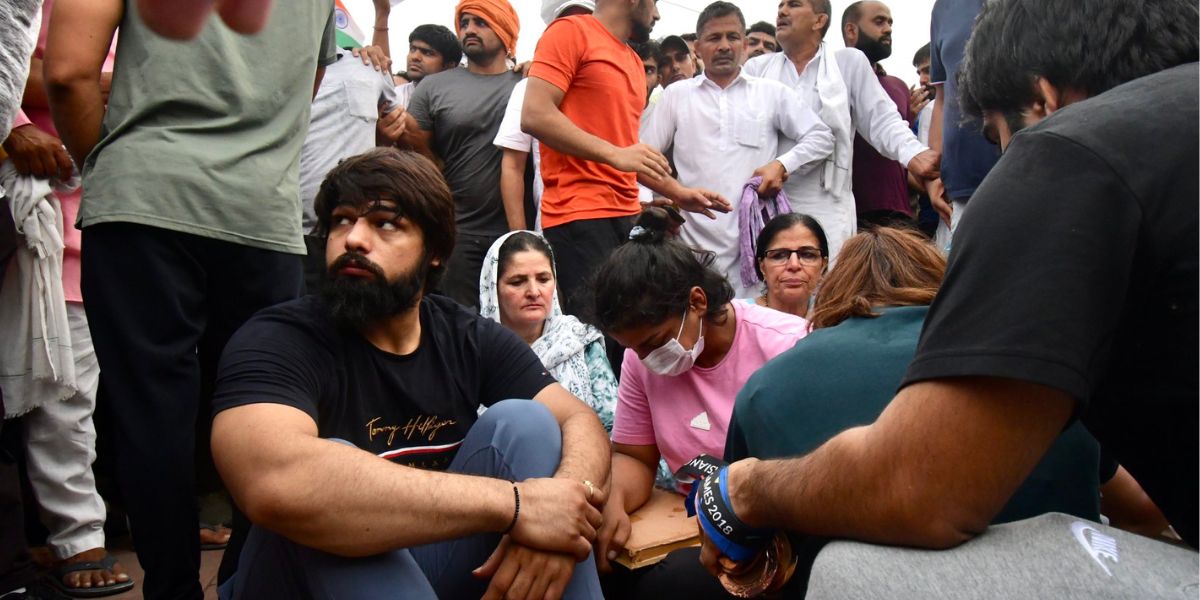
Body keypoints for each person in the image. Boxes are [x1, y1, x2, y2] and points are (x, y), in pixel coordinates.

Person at [694, 0, 1199, 595]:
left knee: (845, 571)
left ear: (1043, 105)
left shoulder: (1070, 151)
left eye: (993, 138)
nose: (1004, 164)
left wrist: (746, 487)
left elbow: (923, 488)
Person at [211, 148, 608, 600]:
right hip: (291, 583)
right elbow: (275, 481)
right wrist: (520, 507)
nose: (354, 239)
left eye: (385, 223)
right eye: (342, 220)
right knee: (329, 488)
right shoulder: (279, 338)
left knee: (527, 422)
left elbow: (580, 420)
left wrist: (564, 513)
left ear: (435, 253)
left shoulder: (464, 335)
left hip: (421, 570)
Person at [43, 0, 337, 596]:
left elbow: (68, 73)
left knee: (151, 411)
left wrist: (109, 170)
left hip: (143, 200)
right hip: (262, 212)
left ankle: (172, 587)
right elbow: (306, 85)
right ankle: (245, 581)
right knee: (262, 412)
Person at [728, 227, 1116, 594]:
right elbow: (1138, 508)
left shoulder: (764, 389)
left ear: (830, 294)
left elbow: (748, 550)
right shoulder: (1035, 366)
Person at [587, 209, 808, 589]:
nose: (645, 359)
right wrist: (614, 502)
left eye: (654, 342)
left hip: (786, 530)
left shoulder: (790, 347)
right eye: (632, 348)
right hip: (695, 530)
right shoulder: (641, 363)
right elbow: (634, 457)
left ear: (697, 302)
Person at [522, 0, 731, 318]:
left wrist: (678, 192)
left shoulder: (634, 62)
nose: (658, 14)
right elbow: (535, 114)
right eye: (656, 2)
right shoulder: (569, 32)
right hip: (579, 215)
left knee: (636, 330)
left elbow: (628, 151)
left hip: (627, 215)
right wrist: (616, 154)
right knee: (598, 336)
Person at [640, 2, 833, 299]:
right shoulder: (677, 96)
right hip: (692, 244)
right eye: (714, 38)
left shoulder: (770, 93)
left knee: (753, 329)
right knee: (699, 328)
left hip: (755, 246)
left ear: (744, 44)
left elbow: (821, 136)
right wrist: (657, 202)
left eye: (732, 37)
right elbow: (644, 157)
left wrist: (781, 165)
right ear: (699, 49)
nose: (724, 46)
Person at [743, 0, 938, 260]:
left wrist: (914, 154)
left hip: (828, 204)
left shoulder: (846, 63)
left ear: (819, 21)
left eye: (794, 4)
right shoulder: (757, 69)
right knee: (773, 291)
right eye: (780, 5)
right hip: (769, 204)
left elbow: (882, 120)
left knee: (827, 290)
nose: (782, 11)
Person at [400, 0, 522, 311]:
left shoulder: (527, 85)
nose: (469, 29)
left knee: (517, 326)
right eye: (465, 22)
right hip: (457, 231)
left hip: (517, 226)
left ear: (505, 29)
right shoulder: (434, 86)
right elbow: (414, 147)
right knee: (457, 322)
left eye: (481, 22)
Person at [479, 231, 617, 431]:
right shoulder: (475, 352)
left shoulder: (581, 341)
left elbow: (613, 428)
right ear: (491, 289)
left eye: (543, 279)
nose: (534, 292)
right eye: (517, 282)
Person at [299, 44, 401, 291]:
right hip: (279, 231)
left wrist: (384, 139)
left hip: (350, 231)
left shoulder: (367, 65)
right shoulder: (269, 63)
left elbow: (400, 128)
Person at [493, 0, 595, 233]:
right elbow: (513, 167)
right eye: (568, 22)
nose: (577, 29)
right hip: (556, 226)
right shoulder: (530, 87)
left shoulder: (615, 86)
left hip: (615, 221)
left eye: (586, 20)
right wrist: (520, 239)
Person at [925, 0, 1000, 249]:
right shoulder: (944, 8)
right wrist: (934, 174)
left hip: (1034, 177)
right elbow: (942, 99)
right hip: (962, 192)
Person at [839, 1, 917, 228]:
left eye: (890, 22)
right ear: (851, 30)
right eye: (879, 21)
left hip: (900, 213)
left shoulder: (899, 86)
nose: (888, 28)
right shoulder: (830, 81)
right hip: (854, 214)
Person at [748, 213, 828, 318]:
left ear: (823, 266)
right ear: (762, 267)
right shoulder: (738, 320)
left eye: (807, 255)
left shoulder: (835, 320)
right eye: (779, 255)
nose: (794, 265)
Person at [394, 24, 461, 109]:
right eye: (412, 49)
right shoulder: (393, 97)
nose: (415, 57)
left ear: (450, 65)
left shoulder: (461, 103)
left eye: (427, 53)